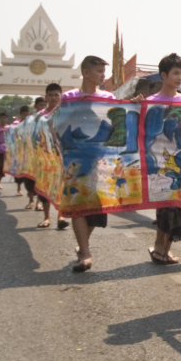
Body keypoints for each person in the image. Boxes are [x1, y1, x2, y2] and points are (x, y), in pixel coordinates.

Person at [62, 56, 119, 272]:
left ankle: (82, 244)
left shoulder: (109, 98)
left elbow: (118, 123)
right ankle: (85, 252)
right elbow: (59, 125)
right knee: (78, 204)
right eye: (98, 71)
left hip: (101, 161)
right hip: (74, 162)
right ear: (86, 73)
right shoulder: (69, 98)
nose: (102, 75)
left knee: (97, 208)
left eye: (103, 72)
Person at [146, 53, 181, 264]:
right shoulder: (149, 103)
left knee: (179, 205)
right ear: (163, 75)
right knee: (165, 206)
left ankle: (164, 247)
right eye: (176, 73)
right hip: (159, 162)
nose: (180, 77)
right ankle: (159, 247)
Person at [32, 83, 68, 229]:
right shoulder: (38, 117)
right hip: (44, 157)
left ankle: (61, 216)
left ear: (61, 96)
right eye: (50, 95)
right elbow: (33, 136)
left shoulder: (66, 112)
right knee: (45, 186)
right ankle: (47, 217)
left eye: (56, 95)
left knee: (63, 187)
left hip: (63, 156)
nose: (53, 98)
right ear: (46, 97)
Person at [12, 105, 30, 197]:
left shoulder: (31, 123)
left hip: (29, 151)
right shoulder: (16, 124)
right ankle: (19, 188)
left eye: (27, 114)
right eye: (24, 114)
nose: (25, 116)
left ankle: (30, 190)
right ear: (20, 114)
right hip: (18, 150)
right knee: (18, 169)